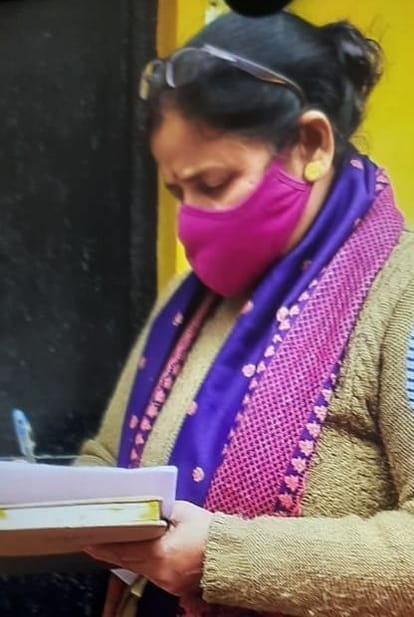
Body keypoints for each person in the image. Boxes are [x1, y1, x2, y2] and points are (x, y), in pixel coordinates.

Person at [77, 8, 414, 617]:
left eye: (212, 183)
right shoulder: (190, 300)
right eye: (177, 192)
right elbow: (108, 460)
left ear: (311, 144)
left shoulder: (400, 295)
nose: (189, 222)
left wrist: (219, 556)